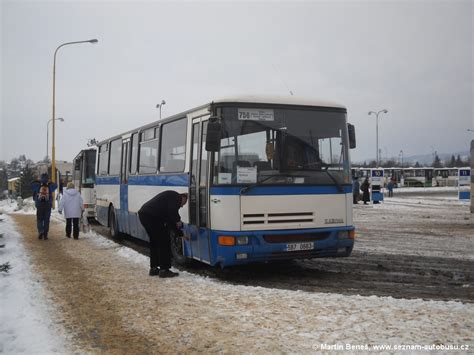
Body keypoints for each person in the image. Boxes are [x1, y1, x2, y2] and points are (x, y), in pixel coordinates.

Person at [138, 191, 188, 278]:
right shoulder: (176, 197)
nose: (182, 206)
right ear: (183, 198)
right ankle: (164, 270)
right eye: (184, 203)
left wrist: (180, 233)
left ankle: (154, 269)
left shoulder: (169, 199)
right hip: (151, 216)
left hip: (144, 214)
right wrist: (178, 220)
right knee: (164, 241)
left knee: (154, 241)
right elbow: (173, 214)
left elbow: (170, 220)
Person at [31, 173, 58, 240]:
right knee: (46, 219)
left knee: (39, 219)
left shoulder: (38, 185)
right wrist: (50, 181)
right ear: (47, 178)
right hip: (48, 205)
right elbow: (56, 186)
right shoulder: (50, 186)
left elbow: (31, 185)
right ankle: (45, 234)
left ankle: (40, 231)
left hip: (39, 204)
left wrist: (37, 180)